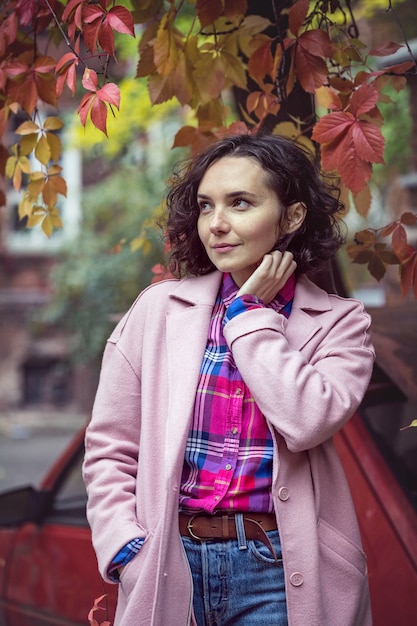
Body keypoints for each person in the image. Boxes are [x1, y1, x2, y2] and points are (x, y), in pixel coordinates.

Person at [83, 133, 375, 626]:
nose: (216, 224)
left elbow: (306, 422)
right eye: (205, 206)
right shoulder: (157, 311)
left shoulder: (339, 323)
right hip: (169, 563)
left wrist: (248, 315)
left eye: (240, 203)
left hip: (279, 571)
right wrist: (123, 546)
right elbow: (110, 446)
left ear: (293, 217)